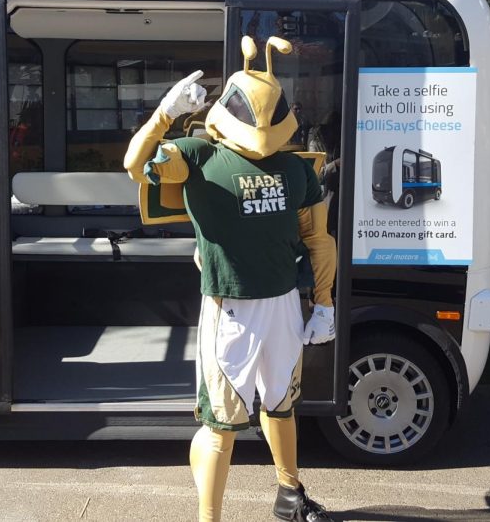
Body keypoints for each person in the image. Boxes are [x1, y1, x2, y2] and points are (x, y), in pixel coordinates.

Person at [124, 36, 337, 522]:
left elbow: (317, 238)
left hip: (283, 300)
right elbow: (135, 165)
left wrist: (323, 300)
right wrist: (164, 113)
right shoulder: (196, 154)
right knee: (222, 423)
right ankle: (209, 517)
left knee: (281, 404)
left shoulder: (294, 166)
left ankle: (289, 494)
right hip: (230, 307)